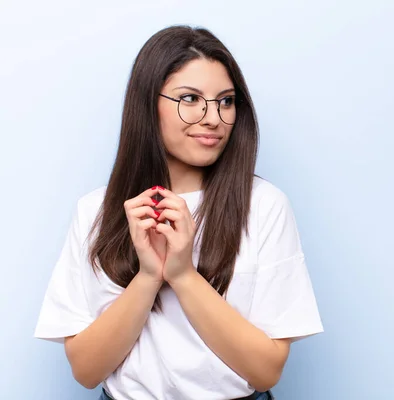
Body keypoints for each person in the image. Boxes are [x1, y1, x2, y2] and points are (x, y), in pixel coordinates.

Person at [33, 25, 323, 400]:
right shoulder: (97, 211)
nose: (213, 118)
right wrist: (149, 275)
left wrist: (183, 274)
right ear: (147, 105)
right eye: (189, 99)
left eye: (226, 101)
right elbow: (87, 371)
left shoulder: (264, 205)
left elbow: (266, 371)